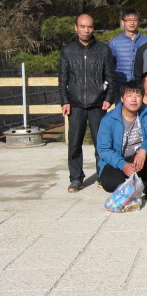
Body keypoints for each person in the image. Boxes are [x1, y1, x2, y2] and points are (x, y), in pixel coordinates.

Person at [59, 13, 115, 193]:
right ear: (76, 28)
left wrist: (108, 98)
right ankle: (76, 178)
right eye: (82, 26)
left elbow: (110, 77)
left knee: (101, 143)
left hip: (98, 104)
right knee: (75, 143)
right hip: (75, 104)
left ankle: (102, 175)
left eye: (89, 26)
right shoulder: (67, 51)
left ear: (93, 28)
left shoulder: (103, 50)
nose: (86, 30)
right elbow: (63, 78)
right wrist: (64, 101)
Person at [97, 81, 147, 204]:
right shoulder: (109, 119)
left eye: (138, 95)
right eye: (129, 95)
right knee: (110, 183)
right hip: (118, 160)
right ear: (122, 99)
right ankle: (134, 184)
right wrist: (123, 165)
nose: (134, 99)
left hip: (140, 159)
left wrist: (143, 150)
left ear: (142, 98)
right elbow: (104, 149)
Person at [108, 9, 147, 90]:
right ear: (123, 22)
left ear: (139, 22)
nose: (132, 23)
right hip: (120, 86)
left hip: (141, 86)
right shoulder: (114, 43)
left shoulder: (146, 41)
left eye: (135, 20)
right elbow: (110, 66)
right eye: (129, 20)